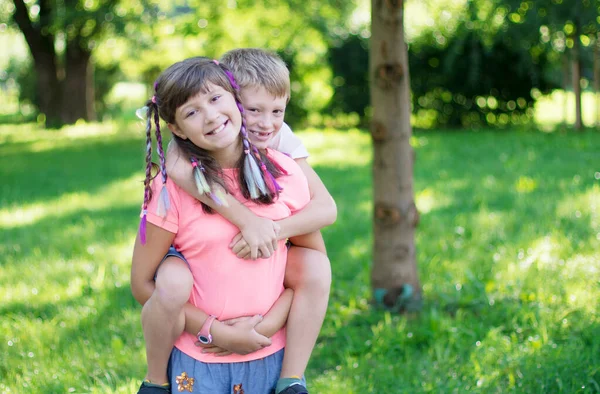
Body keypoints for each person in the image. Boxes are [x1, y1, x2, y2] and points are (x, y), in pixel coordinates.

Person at [131, 56, 318, 394]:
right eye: (191, 112)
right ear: (175, 128)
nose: (211, 115)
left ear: (235, 97)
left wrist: (268, 325)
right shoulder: (170, 190)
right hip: (197, 362)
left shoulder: (285, 174)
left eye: (215, 99)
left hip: (270, 356)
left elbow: (311, 271)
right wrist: (218, 332)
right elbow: (143, 285)